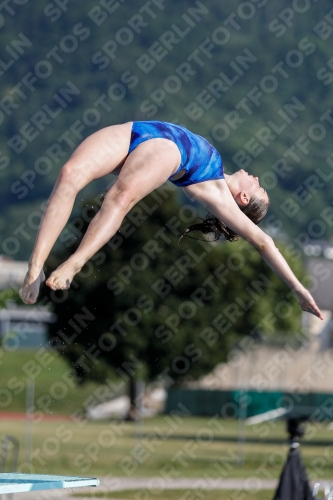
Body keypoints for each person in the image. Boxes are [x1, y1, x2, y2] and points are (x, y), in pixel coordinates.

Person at [19, 120, 323, 319]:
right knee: (69, 174)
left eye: (259, 187)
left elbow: (263, 241)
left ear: (244, 199)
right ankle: (35, 266)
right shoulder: (220, 170)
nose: (256, 178)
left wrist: (298, 289)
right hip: (137, 131)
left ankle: (75, 263)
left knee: (119, 198)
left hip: (167, 150)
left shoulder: (217, 194)